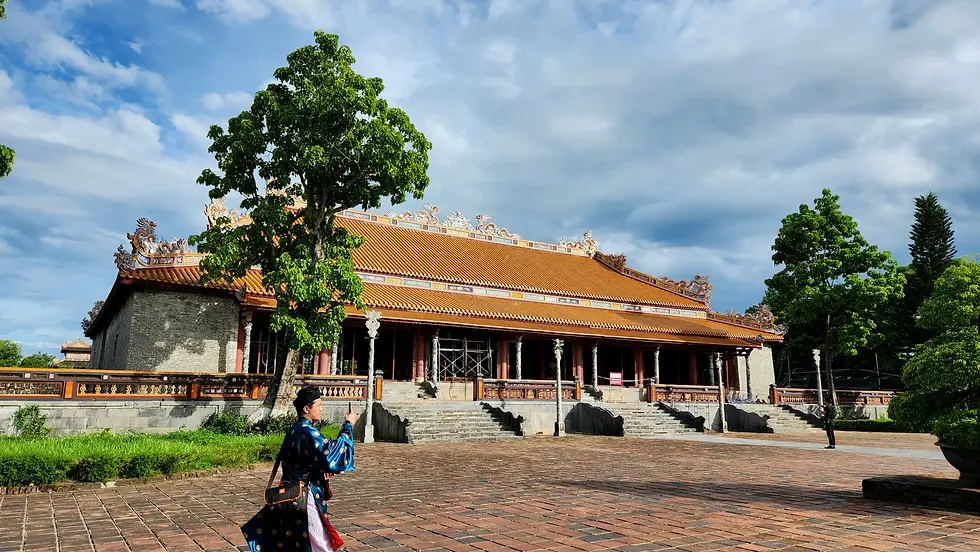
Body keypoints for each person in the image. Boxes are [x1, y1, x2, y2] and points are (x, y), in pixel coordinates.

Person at [242, 386, 359, 552]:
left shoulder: (295, 429)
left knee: (301, 542)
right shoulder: (307, 432)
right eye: (318, 405)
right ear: (307, 408)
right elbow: (331, 454)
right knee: (319, 544)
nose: (321, 409)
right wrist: (348, 425)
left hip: (291, 494)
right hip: (305, 497)